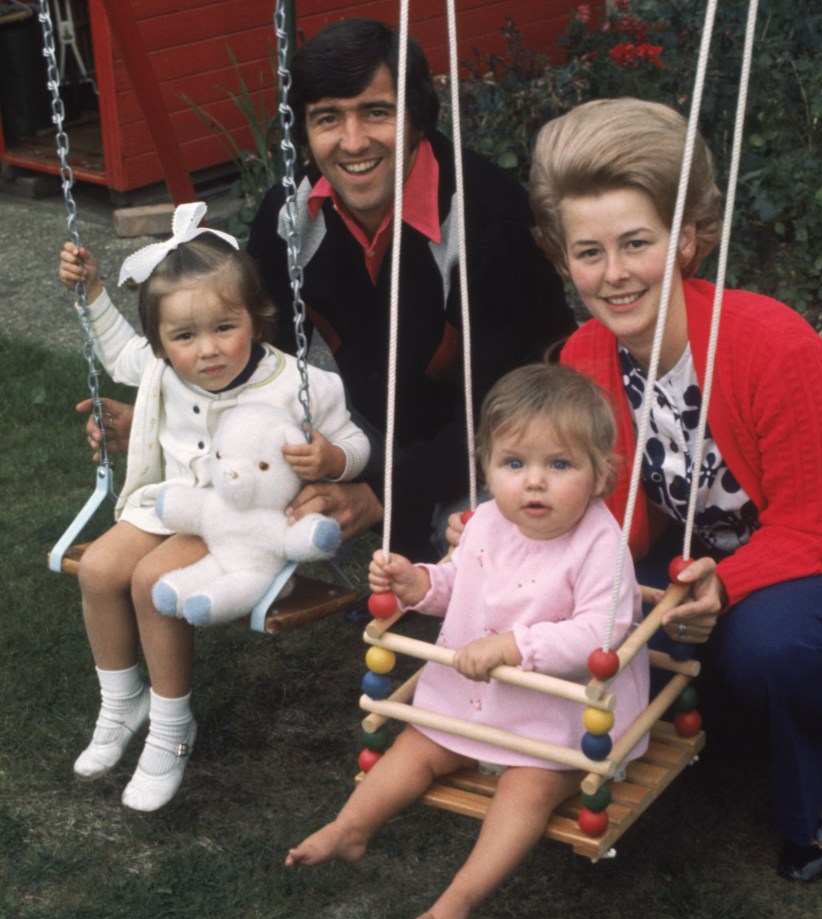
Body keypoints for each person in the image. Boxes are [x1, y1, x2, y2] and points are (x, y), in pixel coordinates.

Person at [85, 18, 575, 563]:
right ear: (306, 133)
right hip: (370, 428)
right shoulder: (288, 215)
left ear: (415, 117)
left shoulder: (487, 218)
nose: (353, 141)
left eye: (376, 112)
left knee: (475, 546)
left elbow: (509, 411)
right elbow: (254, 361)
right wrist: (168, 418)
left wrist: (381, 495)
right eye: (327, 118)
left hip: (511, 437)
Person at [524, 97, 822, 882]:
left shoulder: (771, 343)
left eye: (635, 244)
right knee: (603, 623)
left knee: (768, 648)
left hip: (799, 551)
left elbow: (809, 520)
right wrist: (511, 532)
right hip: (697, 559)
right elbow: (613, 520)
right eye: (588, 252)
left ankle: (810, 804)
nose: (612, 274)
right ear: (562, 261)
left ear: (685, 240)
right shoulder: (584, 356)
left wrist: (723, 585)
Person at [285, 363, 649, 919]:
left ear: (601, 473)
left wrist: (513, 647)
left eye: (560, 465)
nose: (534, 483)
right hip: (474, 695)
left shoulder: (601, 545)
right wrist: (417, 583)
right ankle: (351, 827)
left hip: (554, 716)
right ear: (487, 468)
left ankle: (464, 891)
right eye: (514, 464)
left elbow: (596, 636)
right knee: (415, 749)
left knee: (527, 790)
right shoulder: (486, 522)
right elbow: (462, 582)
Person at [57, 202, 370, 812]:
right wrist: (93, 290)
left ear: (256, 317)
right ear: (162, 342)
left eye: (224, 327)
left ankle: (172, 727)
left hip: (241, 525)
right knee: (98, 568)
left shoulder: (298, 384)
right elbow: (119, 350)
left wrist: (332, 460)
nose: (206, 351)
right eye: (183, 336)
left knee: (152, 580)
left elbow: (357, 444)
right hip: (170, 504)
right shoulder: (161, 368)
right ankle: (123, 703)